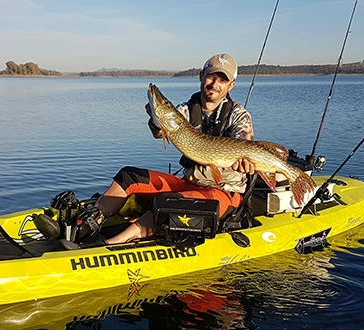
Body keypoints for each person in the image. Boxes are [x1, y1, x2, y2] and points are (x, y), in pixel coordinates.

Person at [37, 53, 255, 249]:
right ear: (201, 76)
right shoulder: (185, 110)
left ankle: (106, 246)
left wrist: (244, 161)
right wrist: (155, 116)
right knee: (129, 176)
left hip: (224, 192)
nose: (215, 83)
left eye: (222, 79)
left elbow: (242, 143)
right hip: (191, 183)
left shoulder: (239, 116)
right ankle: (85, 225)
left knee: (171, 204)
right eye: (211, 76)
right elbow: (160, 132)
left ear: (231, 85)